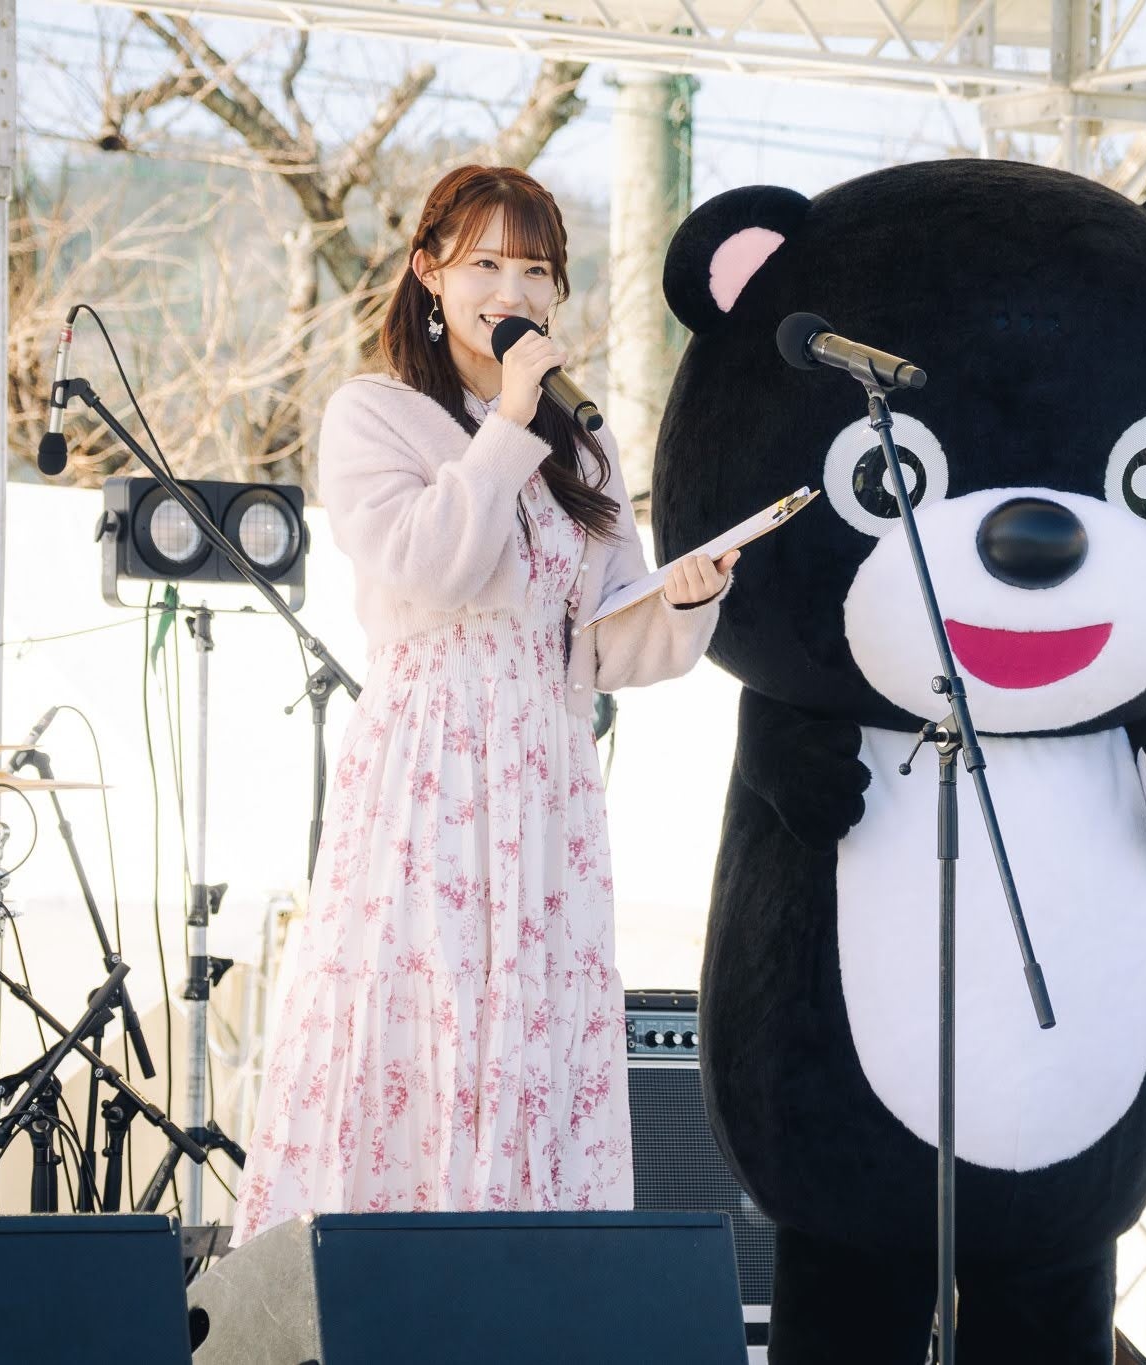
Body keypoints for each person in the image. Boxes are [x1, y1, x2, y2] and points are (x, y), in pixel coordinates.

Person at [232, 165, 735, 1242]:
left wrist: (686, 598)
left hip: (548, 772)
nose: (513, 289)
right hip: (433, 765)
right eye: (486, 264)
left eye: (536, 270)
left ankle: (527, 1292)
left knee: (533, 1029)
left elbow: (604, 639)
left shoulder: (582, 441)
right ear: (428, 273)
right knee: (425, 1014)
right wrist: (507, 420)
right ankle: (387, 1286)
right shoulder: (376, 415)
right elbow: (431, 570)